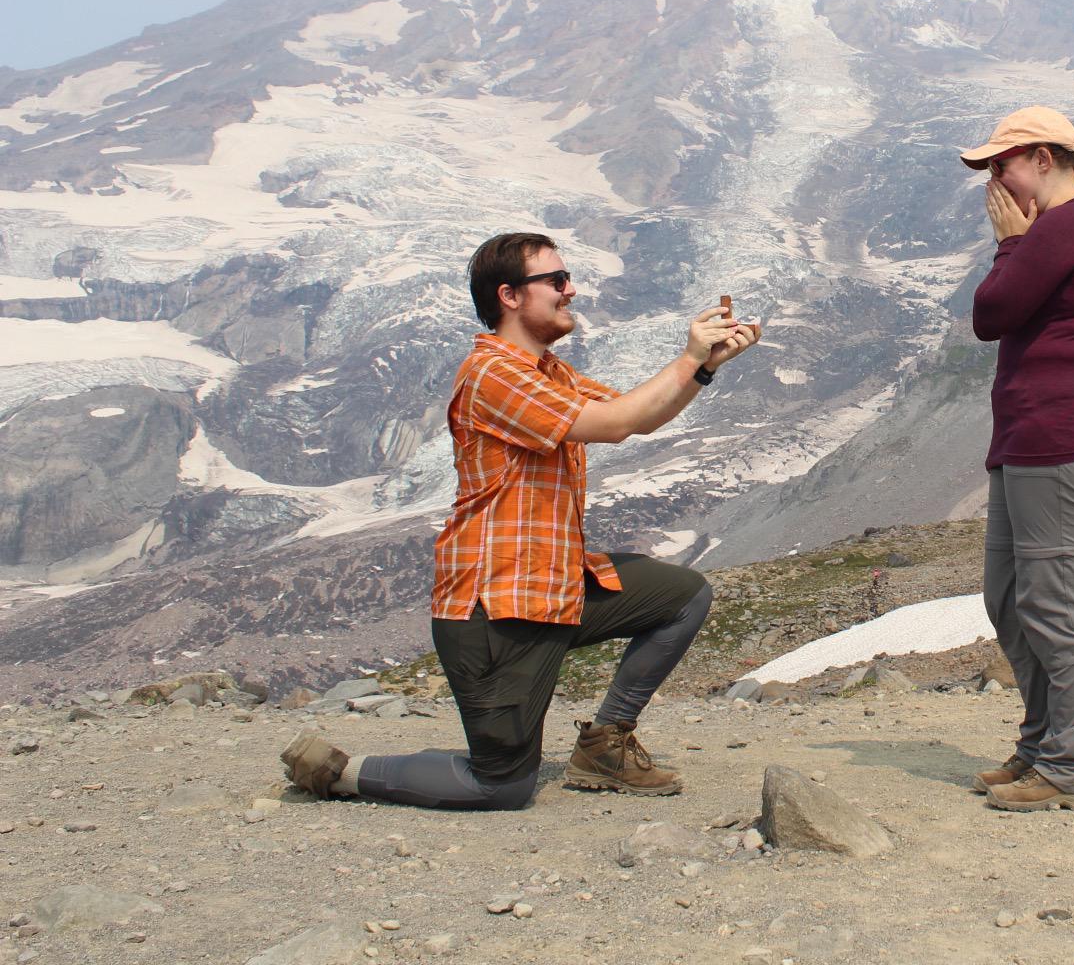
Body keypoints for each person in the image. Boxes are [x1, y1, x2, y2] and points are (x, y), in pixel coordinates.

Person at [280, 232, 760, 809]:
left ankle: (605, 745)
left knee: (682, 595)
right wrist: (688, 357)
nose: (570, 289)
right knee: (501, 784)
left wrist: (704, 367)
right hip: (495, 609)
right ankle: (340, 772)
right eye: (556, 281)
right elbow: (615, 424)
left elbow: (638, 416)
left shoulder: (548, 373)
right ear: (509, 295)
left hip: (553, 589)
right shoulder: (493, 375)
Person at [959, 105, 1074, 812]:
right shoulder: (1054, 228)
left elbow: (992, 314)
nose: (993, 181)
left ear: (1041, 157)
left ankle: (1070, 766)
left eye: (1000, 164)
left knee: (1055, 603)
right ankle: (1042, 743)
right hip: (1029, 436)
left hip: (1060, 435)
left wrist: (1008, 245)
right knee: (1009, 598)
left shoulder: (1069, 222)